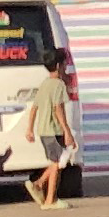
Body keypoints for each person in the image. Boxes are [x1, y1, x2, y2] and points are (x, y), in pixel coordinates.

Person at [22, 46, 76, 205]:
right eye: (65, 64)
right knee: (57, 164)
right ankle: (49, 199)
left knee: (56, 162)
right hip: (54, 130)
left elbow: (34, 108)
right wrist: (67, 131)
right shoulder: (58, 85)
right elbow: (58, 108)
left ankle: (40, 186)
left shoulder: (45, 84)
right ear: (59, 65)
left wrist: (30, 128)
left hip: (43, 130)